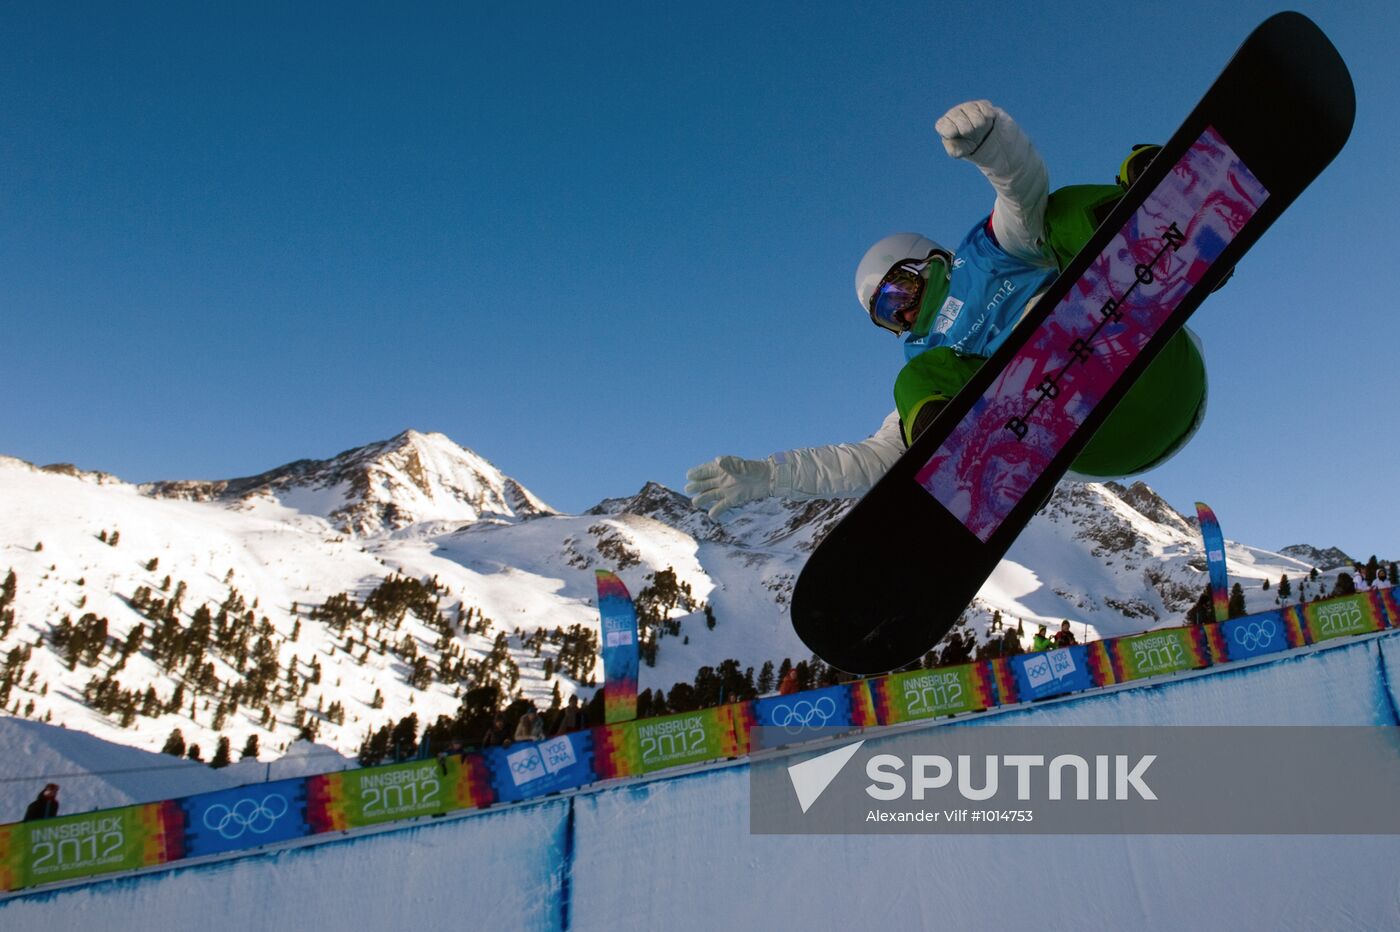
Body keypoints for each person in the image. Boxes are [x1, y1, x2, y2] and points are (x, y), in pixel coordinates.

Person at [686, 101, 1208, 520]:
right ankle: (970, 455)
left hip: (1155, 359)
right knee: (913, 387)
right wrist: (769, 477)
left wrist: (993, 145)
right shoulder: (929, 361)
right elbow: (870, 459)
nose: (904, 315)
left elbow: (1021, 194)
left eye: (896, 294)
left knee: (1058, 212)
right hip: (1099, 436)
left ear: (925, 261)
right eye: (887, 315)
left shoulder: (991, 255)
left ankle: (1162, 223)